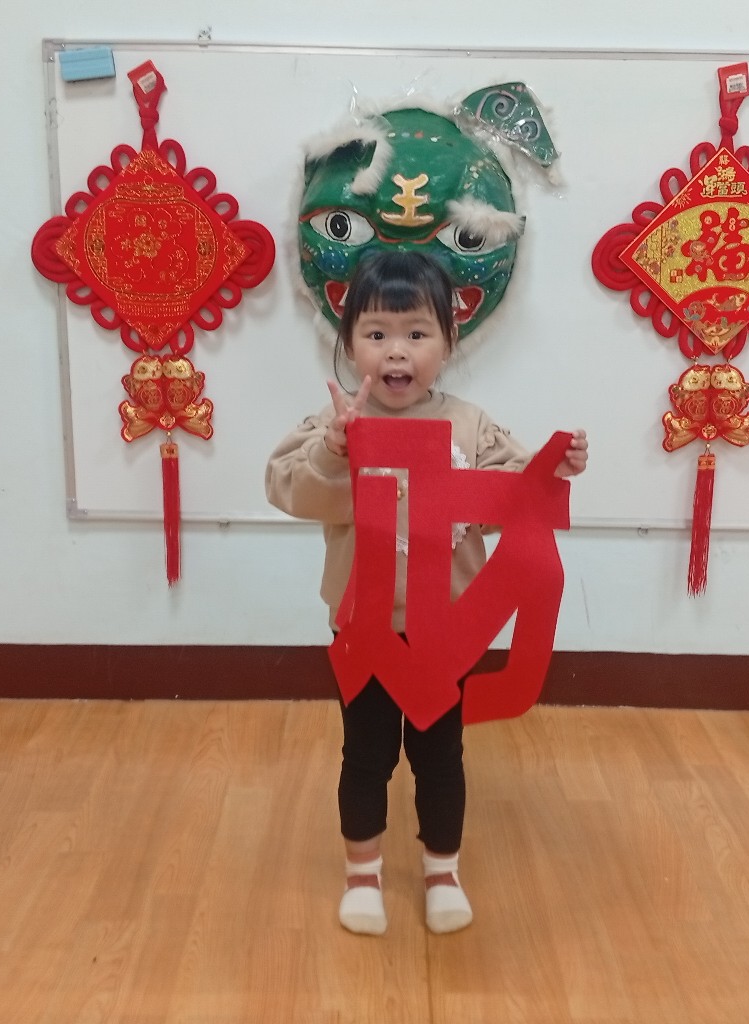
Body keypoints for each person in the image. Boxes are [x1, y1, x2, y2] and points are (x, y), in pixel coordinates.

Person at [265, 250, 588, 936]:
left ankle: (443, 870)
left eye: (417, 333)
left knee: (441, 756)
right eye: (376, 333)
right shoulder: (337, 426)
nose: (396, 351)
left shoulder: (470, 425)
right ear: (349, 341)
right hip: (365, 631)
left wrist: (555, 466)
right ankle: (362, 874)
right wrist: (334, 450)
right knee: (366, 755)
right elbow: (291, 490)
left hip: (449, 634)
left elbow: (518, 495)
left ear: (449, 340)